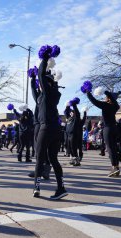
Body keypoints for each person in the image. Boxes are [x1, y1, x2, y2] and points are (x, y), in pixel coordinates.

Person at [33, 47, 67, 199]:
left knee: (40, 158)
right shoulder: (48, 95)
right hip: (56, 130)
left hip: (46, 129)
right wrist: (32, 79)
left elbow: (41, 76)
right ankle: (61, 188)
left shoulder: (47, 93)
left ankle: (37, 188)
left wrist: (45, 59)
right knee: (53, 159)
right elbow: (36, 92)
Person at [87, 90, 120, 176]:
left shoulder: (106, 105)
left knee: (110, 148)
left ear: (109, 98)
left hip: (108, 129)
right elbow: (114, 101)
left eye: (106, 97)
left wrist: (88, 92)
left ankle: (114, 167)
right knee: (113, 148)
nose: (105, 98)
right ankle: (116, 166)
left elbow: (94, 101)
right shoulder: (116, 106)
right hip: (115, 128)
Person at [64, 101, 81, 166]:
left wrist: (74, 105)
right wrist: (67, 106)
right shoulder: (68, 118)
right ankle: (72, 160)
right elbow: (66, 112)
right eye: (70, 112)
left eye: (72, 112)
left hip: (74, 134)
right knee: (69, 148)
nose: (71, 113)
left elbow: (77, 112)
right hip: (68, 135)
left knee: (73, 148)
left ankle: (77, 161)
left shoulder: (76, 118)